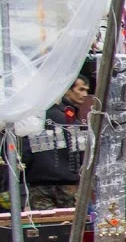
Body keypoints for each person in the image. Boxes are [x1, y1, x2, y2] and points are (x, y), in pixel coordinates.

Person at [23, 76, 89, 209]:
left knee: (45, 225)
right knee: (70, 224)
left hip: (39, 182)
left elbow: (26, 153)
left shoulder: (34, 121)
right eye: (81, 89)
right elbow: (83, 154)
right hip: (67, 183)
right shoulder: (71, 121)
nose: (85, 94)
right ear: (67, 90)